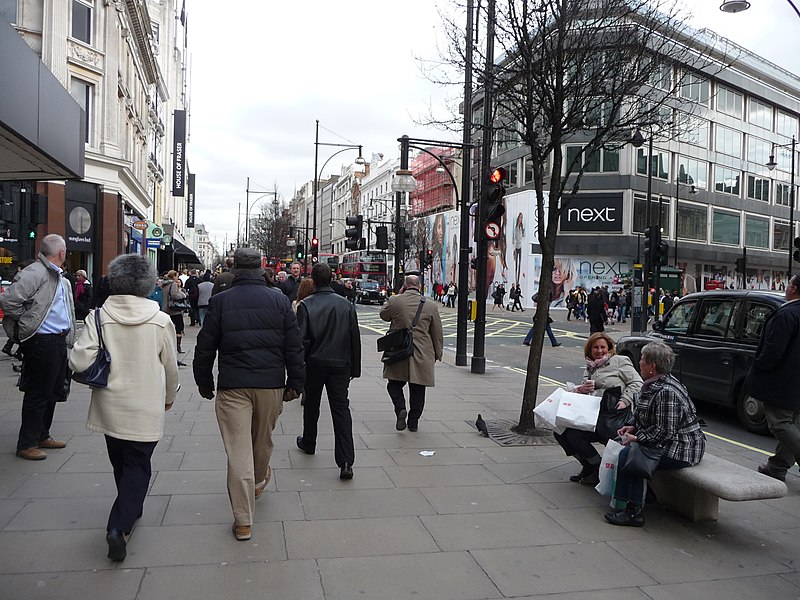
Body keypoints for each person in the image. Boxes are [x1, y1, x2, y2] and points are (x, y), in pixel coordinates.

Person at [69, 254, 178, 561]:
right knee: (139, 464)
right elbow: (170, 367)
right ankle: (119, 526)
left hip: (109, 404)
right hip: (146, 404)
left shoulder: (99, 317)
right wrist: (171, 396)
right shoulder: (160, 320)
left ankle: (131, 507)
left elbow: (77, 361)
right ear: (146, 284)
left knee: (121, 461)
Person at [194, 247, 305, 541]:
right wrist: (296, 382)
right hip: (270, 384)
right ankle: (256, 482)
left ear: (235, 269)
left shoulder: (220, 302)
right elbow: (293, 347)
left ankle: (243, 520)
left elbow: (205, 346)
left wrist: (204, 381)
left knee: (238, 451)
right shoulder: (280, 300)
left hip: (233, 386)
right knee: (261, 441)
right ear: (260, 268)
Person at [605, 342, 704, 527]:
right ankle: (626, 501)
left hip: (683, 448)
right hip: (669, 442)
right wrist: (632, 427)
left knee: (631, 455)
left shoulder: (667, 391)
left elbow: (664, 432)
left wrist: (638, 439)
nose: (639, 362)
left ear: (652, 366)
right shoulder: (654, 383)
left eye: (642, 359)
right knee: (628, 449)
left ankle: (633, 512)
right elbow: (646, 416)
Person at [1, 235, 76, 461]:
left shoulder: (58, 277)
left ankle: (42, 435)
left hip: (57, 340)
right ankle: (27, 443)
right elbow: (8, 301)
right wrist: (27, 322)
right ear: (61, 253)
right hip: (41, 341)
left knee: (54, 390)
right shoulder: (35, 273)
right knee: (38, 393)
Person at [295, 263, 361, 479]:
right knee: (341, 410)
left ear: (313, 281)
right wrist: (355, 368)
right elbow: (354, 338)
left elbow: (301, 341)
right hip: (340, 365)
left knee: (311, 405)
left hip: (314, 364)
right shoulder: (345, 305)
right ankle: (346, 462)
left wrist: (298, 368)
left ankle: (309, 441)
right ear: (331, 278)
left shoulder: (306, 305)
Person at [553, 332, 642, 484]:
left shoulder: (619, 361)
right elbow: (586, 390)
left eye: (603, 347)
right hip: (593, 415)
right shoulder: (590, 366)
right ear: (590, 349)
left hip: (612, 418)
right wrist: (581, 389)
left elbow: (637, 383)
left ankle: (596, 468)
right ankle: (590, 465)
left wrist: (625, 400)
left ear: (609, 348)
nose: (599, 351)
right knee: (561, 432)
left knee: (575, 436)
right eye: (595, 347)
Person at [746, 273, 800, 481]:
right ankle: (777, 466)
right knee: (793, 423)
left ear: (793, 289)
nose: (786, 289)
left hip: (784, 381)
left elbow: (773, 351)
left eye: (788, 285)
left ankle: (778, 466)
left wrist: (759, 367)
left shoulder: (786, 314)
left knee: (780, 423)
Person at [380, 274, 443, 432]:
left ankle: (400, 408)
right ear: (419, 286)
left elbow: (383, 315)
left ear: (405, 286)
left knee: (394, 385)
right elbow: (437, 332)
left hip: (399, 350)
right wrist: (438, 353)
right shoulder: (430, 305)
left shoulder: (396, 301)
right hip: (422, 352)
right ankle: (413, 422)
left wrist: (397, 295)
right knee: (418, 388)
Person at [161, 270, 188, 355]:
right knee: (179, 328)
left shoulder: (163, 284)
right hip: (174, 310)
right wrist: (183, 295)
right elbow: (174, 295)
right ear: (174, 276)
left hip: (165, 308)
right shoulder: (173, 284)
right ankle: (177, 346)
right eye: (177, 276)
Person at [512, 212, 524, 285]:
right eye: (520, 217)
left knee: (519, 263)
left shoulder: (521, 227)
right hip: (516, 246)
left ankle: (518, 281)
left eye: (522, 218)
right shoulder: (516, 227)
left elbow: (523, 236)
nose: (521, 219)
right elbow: (514, 238)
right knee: (516, 263)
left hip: (520, 246)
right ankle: (515, 278)